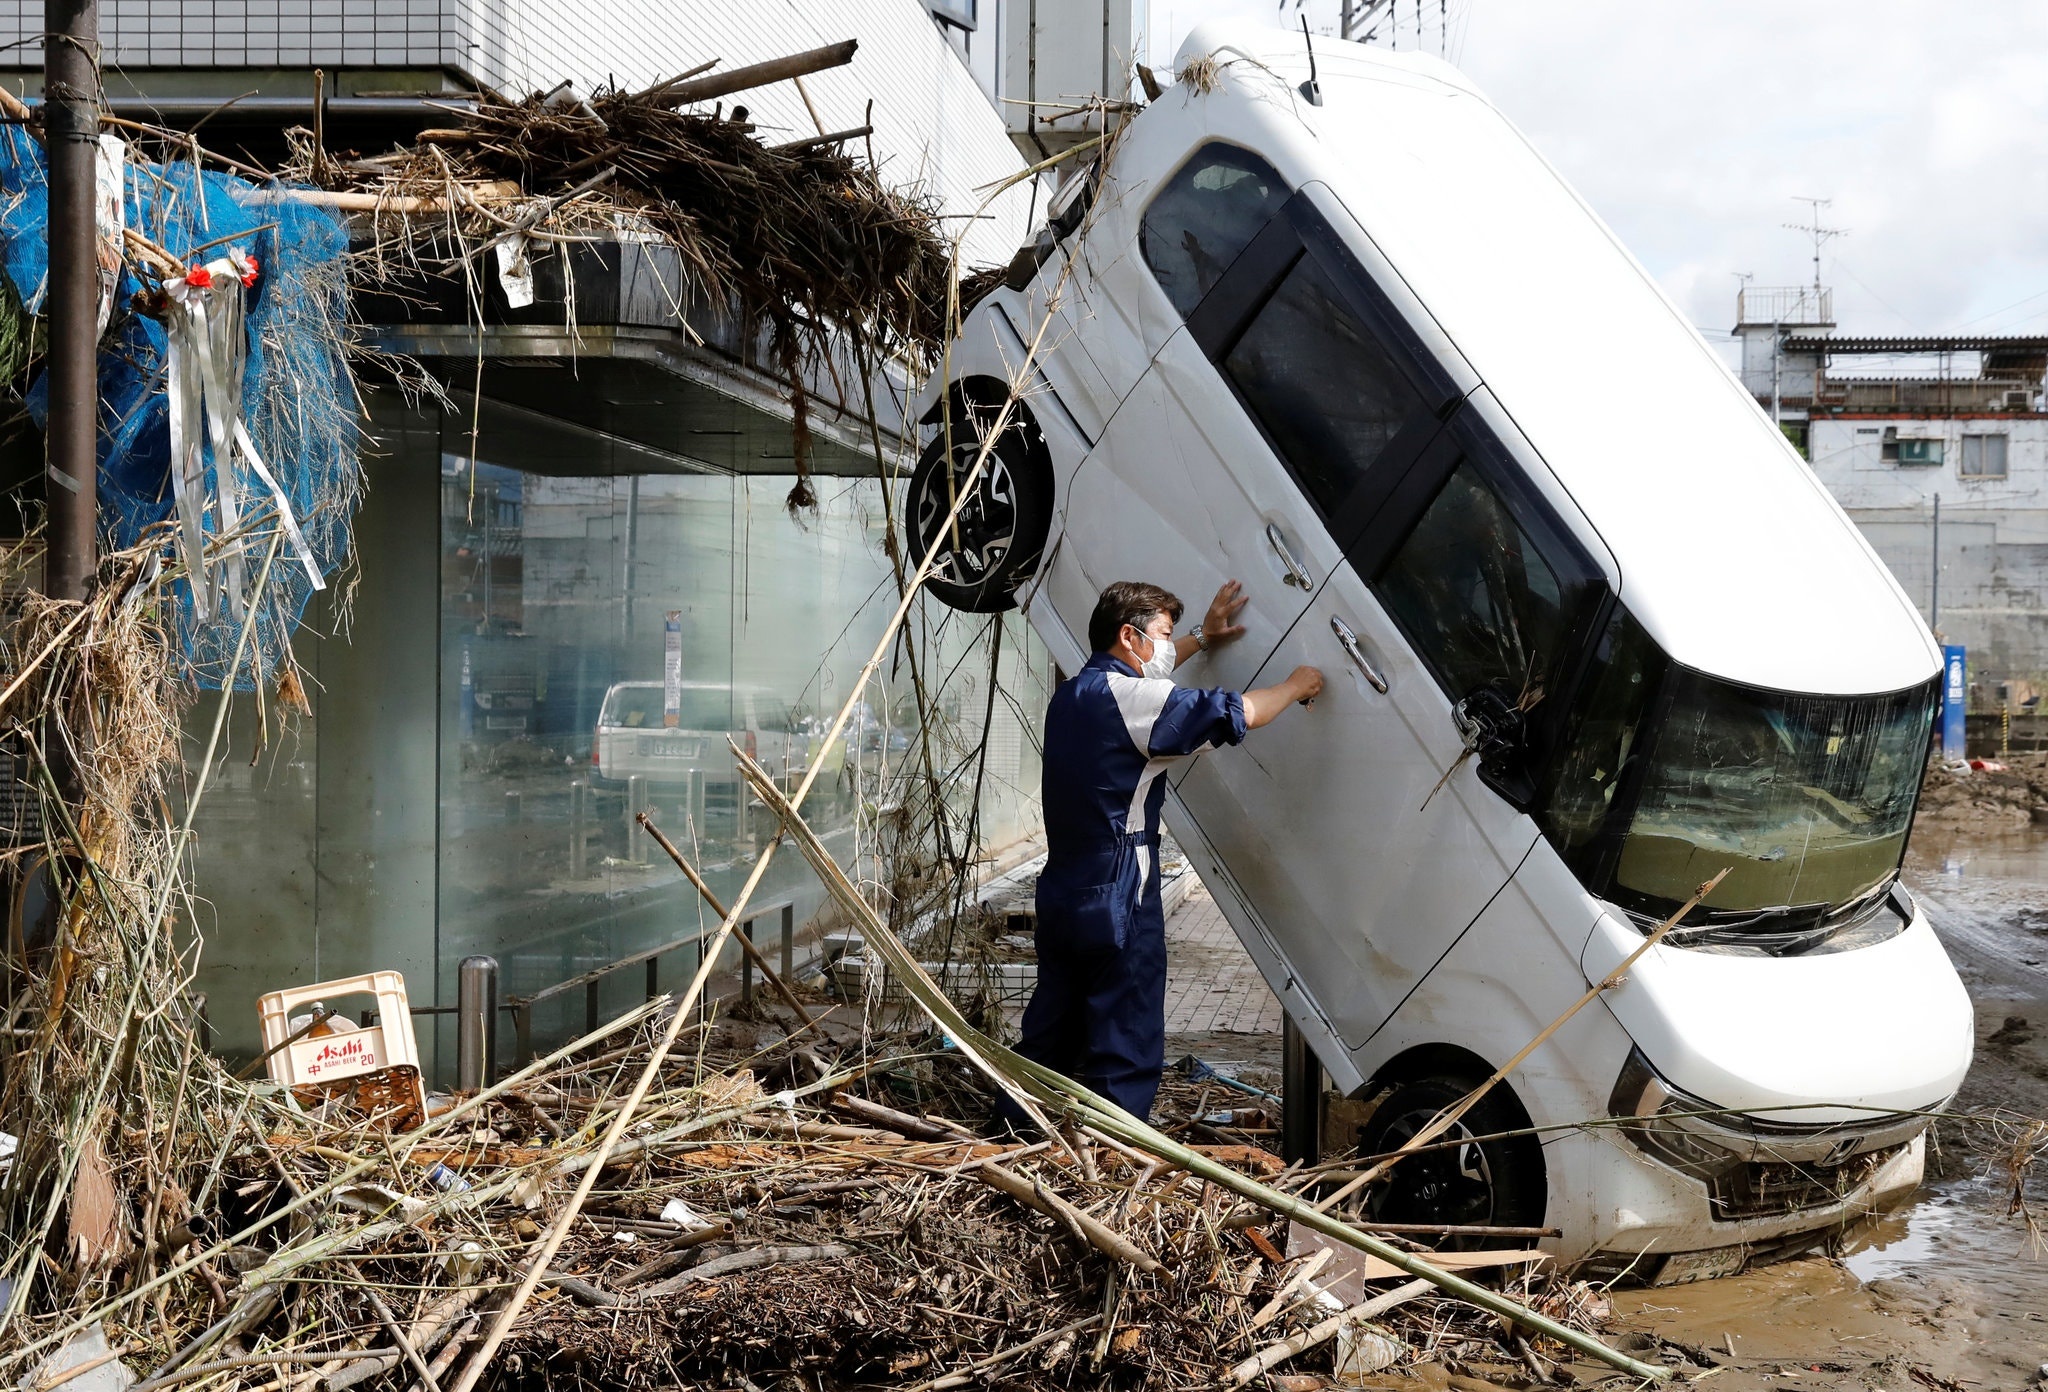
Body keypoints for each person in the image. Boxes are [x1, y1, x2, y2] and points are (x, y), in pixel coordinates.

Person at [1015, 579, 1325, 1122]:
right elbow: (1239, 713)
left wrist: (1202, 638)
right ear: (1129, 636)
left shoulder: (1073, 694)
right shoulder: (1134, 701)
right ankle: (1115, 1155)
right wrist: (1299, 683)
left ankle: (1017, 1130)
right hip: (1120, 888)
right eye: (1163, 634)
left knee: (1051, 1032)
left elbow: (1149, 673)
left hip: (1065, 887)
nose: (1169, 645)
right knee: (1126, 1037)